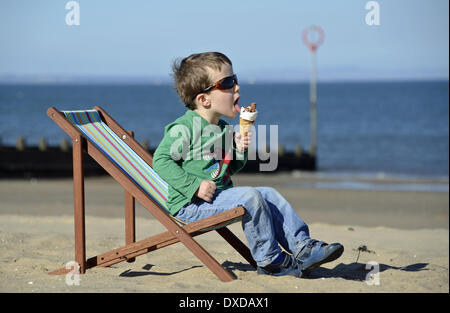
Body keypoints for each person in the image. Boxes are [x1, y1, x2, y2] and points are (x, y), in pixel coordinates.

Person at [153, 52, 343, 277]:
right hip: (191, 205)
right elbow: (161, 160)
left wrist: (239, 150)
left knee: (269, 194)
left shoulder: (224, 130)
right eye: (227, 83)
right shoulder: (184, 128)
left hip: (219, 196)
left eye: (235, 79)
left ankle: (302, 245)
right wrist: (194, 185)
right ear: (204, 99)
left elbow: (229, 169)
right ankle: (269, 259)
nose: (237, 87)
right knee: (251, 196)